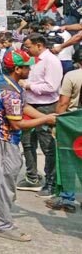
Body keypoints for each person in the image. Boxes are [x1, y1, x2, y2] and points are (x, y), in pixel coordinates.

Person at [0, 50, 56, 242]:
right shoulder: (9, 91)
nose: (30, 69)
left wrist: (47, 118)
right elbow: (17, 123)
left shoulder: (9, 83)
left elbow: (25, 107)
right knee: (5, 184)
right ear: (17, 69)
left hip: (3, 140)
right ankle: (3, 225)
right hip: (5, 141)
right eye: (27, 66)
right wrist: (45, 119)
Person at [17, 34, 62, 197]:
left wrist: (29, 85)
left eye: (28, 46)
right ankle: (32, 176)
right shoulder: (31, 60)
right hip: (28, 104)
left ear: (39, 45)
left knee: (48, 146)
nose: (26, 49)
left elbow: (52, 86)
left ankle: (51, 182)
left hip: (46, 107)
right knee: (27, 143)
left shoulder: (51, 61)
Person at [48, 47, 82, 212]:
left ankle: (68, 198)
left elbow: (63, 103)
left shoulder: (72, 76)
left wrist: (58, 123)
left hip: (72, 124)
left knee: (69, 158)